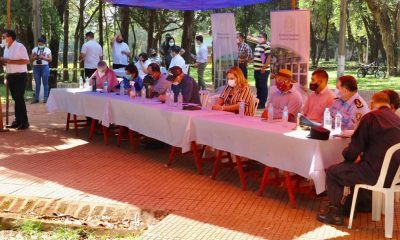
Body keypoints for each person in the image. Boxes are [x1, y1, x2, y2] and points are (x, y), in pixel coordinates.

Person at [317, 92, 400, 226]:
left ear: (372, 103)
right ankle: (359, 205)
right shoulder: (396, 119)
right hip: (396, 175)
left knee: (334, 172)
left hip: (376, 174)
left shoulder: (370, 117)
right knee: (355, 167)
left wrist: (349, 154)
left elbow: (352, 152)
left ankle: (335, 214)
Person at [0, 29, 30, 129]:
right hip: (10, 75)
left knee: (19, 98)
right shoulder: (6, 48)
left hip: (20, 75)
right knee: (16, 98)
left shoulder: (19, 46)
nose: (3, 39)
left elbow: (26, 61)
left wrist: (10, 61)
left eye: (4, 37)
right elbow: (7, 62)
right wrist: (3, 62)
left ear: (10, 37)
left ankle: (24, 122)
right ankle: (18, 121)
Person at [31, 36, 51, 104]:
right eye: (39, 44)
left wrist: (43, 57)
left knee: (45, 83)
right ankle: (36, 98)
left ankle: (46, 98)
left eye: (41, 44)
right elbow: (31, 59)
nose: (40, 45)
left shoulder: (47, 50)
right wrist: (35, 57)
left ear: (44, 44)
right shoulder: (34, 49)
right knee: (37, 83)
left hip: (45, 67)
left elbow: (50, 59)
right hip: (36, 67)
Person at [253, 32, 271, 108]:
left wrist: (264, 67)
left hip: (263, 70)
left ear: (265, 38)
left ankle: (262, 103)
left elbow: (268, 58)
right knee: (258, 86)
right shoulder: (257, 45)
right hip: (256, 69)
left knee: (263, 86)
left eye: (261, 36)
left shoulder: (266, 46)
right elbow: (261, 57)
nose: (259, 38)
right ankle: (258, 101)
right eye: (258, 36)